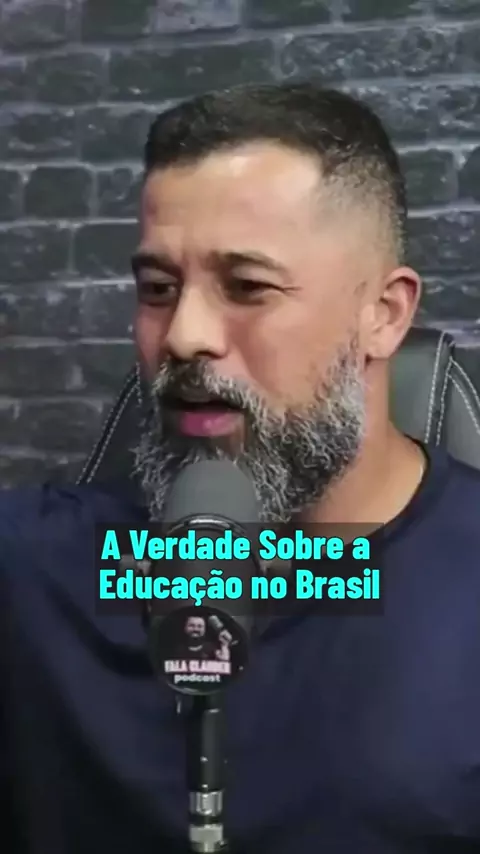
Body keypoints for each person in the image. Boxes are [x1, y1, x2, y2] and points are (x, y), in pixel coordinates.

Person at [2, 81, 480, 854]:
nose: (184, 335)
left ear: (384, 314)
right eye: (158, 290)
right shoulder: (34, 574)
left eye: (248, 287)